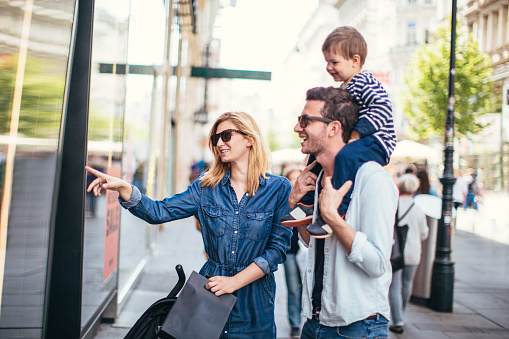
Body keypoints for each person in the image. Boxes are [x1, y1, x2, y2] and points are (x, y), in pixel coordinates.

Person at [85, 112, 292, 339]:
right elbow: (159, 211)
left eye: (226, 136)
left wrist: (234, 282)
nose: (219, 143)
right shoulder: (205, 187)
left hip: (256, 300)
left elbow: (277, 249)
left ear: (249, 139)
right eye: (215, 138)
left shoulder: (279, 188)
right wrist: (125, 188)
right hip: (210, 293)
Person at [288, 86, 398, 338]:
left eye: (305, 120)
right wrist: (293, 204)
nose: (297, 128)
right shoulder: (319, 179)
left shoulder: (372, 179)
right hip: (315, 323)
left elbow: (378, 263)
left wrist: (334, 219)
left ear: (334, 128)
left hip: (357, 328)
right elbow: (312, 242)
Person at [300, 26, 396, 238]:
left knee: (346, 156)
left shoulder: (364, 81)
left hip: (377, 140)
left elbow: (381, 107)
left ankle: (337, 210)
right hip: (363, 139)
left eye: (334, 62)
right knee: (316, 157)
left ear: (355, 60)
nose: (329, 67)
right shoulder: (346, 85)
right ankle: (307, 202)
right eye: (326, 62)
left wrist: (355, 136)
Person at [388, 174, 429, 334]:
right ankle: (401, 315)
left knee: (394, 286)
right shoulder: (418, 208)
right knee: (407, 284)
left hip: (395, 252)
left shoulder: (393, 204)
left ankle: (397, 320)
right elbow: (424, 233)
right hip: (413, 252)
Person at [283, 167, 304, 338]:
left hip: (307, 251)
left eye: (298, 178)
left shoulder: (310, 199)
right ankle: (295, 323)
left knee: (306, 287)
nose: (294, 182)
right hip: (290, 251)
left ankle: (305, 317)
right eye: (291, 178)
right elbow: (285, 219)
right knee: (293, 289)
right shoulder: (286, 201)